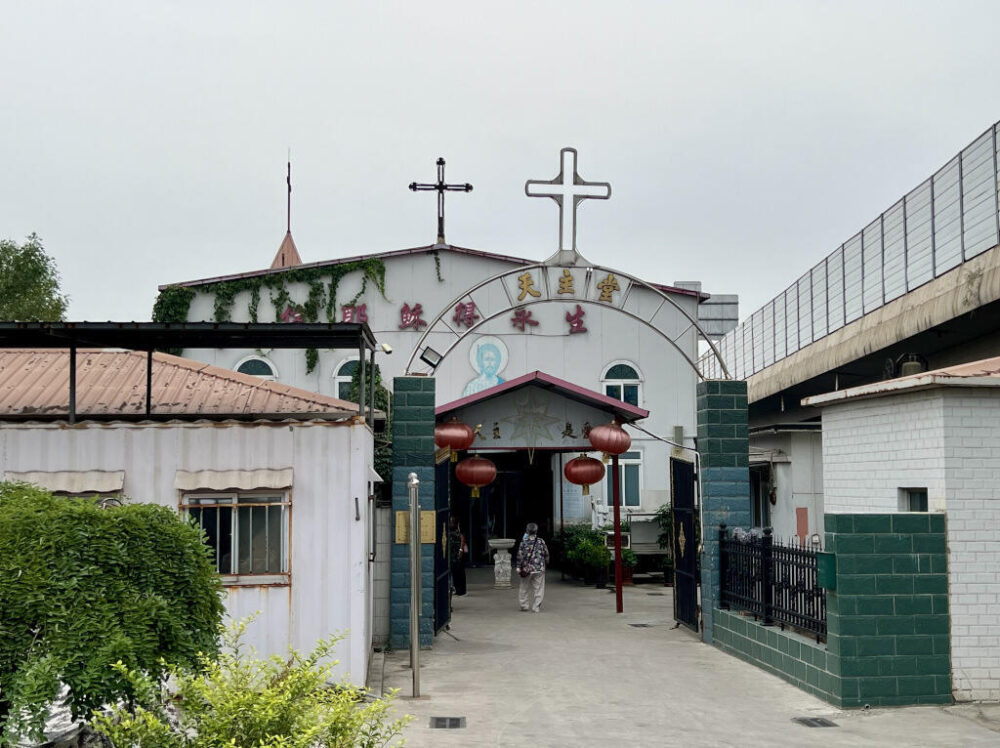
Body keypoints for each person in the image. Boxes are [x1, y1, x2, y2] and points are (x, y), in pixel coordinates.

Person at [515, 522, 549, 612]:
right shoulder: (541, 541)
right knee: (539, 588)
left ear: (527, 531)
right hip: (539, 568)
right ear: (536, 531)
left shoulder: (524, 542)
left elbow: (520, 555)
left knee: (524, 587)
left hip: (527, 569)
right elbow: (546, 553)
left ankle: (524, 605)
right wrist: (545, 564)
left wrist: (518, 567)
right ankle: (536, 607)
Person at [449, 515, 468, 597]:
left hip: (458, 552)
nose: (451, 522)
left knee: (459, 571)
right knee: (455, 572)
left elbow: (462, 538)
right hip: (452, 553)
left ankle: (461, 590)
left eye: (452, 521)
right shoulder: (449, 529)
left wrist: (460, 550)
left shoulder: (458, 529)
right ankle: (457, 589)